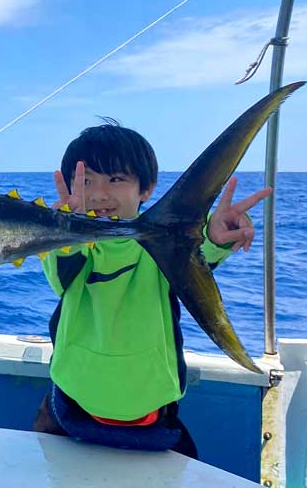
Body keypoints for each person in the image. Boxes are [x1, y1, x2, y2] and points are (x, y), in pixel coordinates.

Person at [31, 120, 272, 458]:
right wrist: (65, 231)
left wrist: (213, 238)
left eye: (115, 179)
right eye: (86, 181)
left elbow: (197, 254)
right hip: (69, 409)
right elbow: (62, 274)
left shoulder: (165, 247)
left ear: (146, 189)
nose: (99, 194)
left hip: (153, 416)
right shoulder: (70, 247)